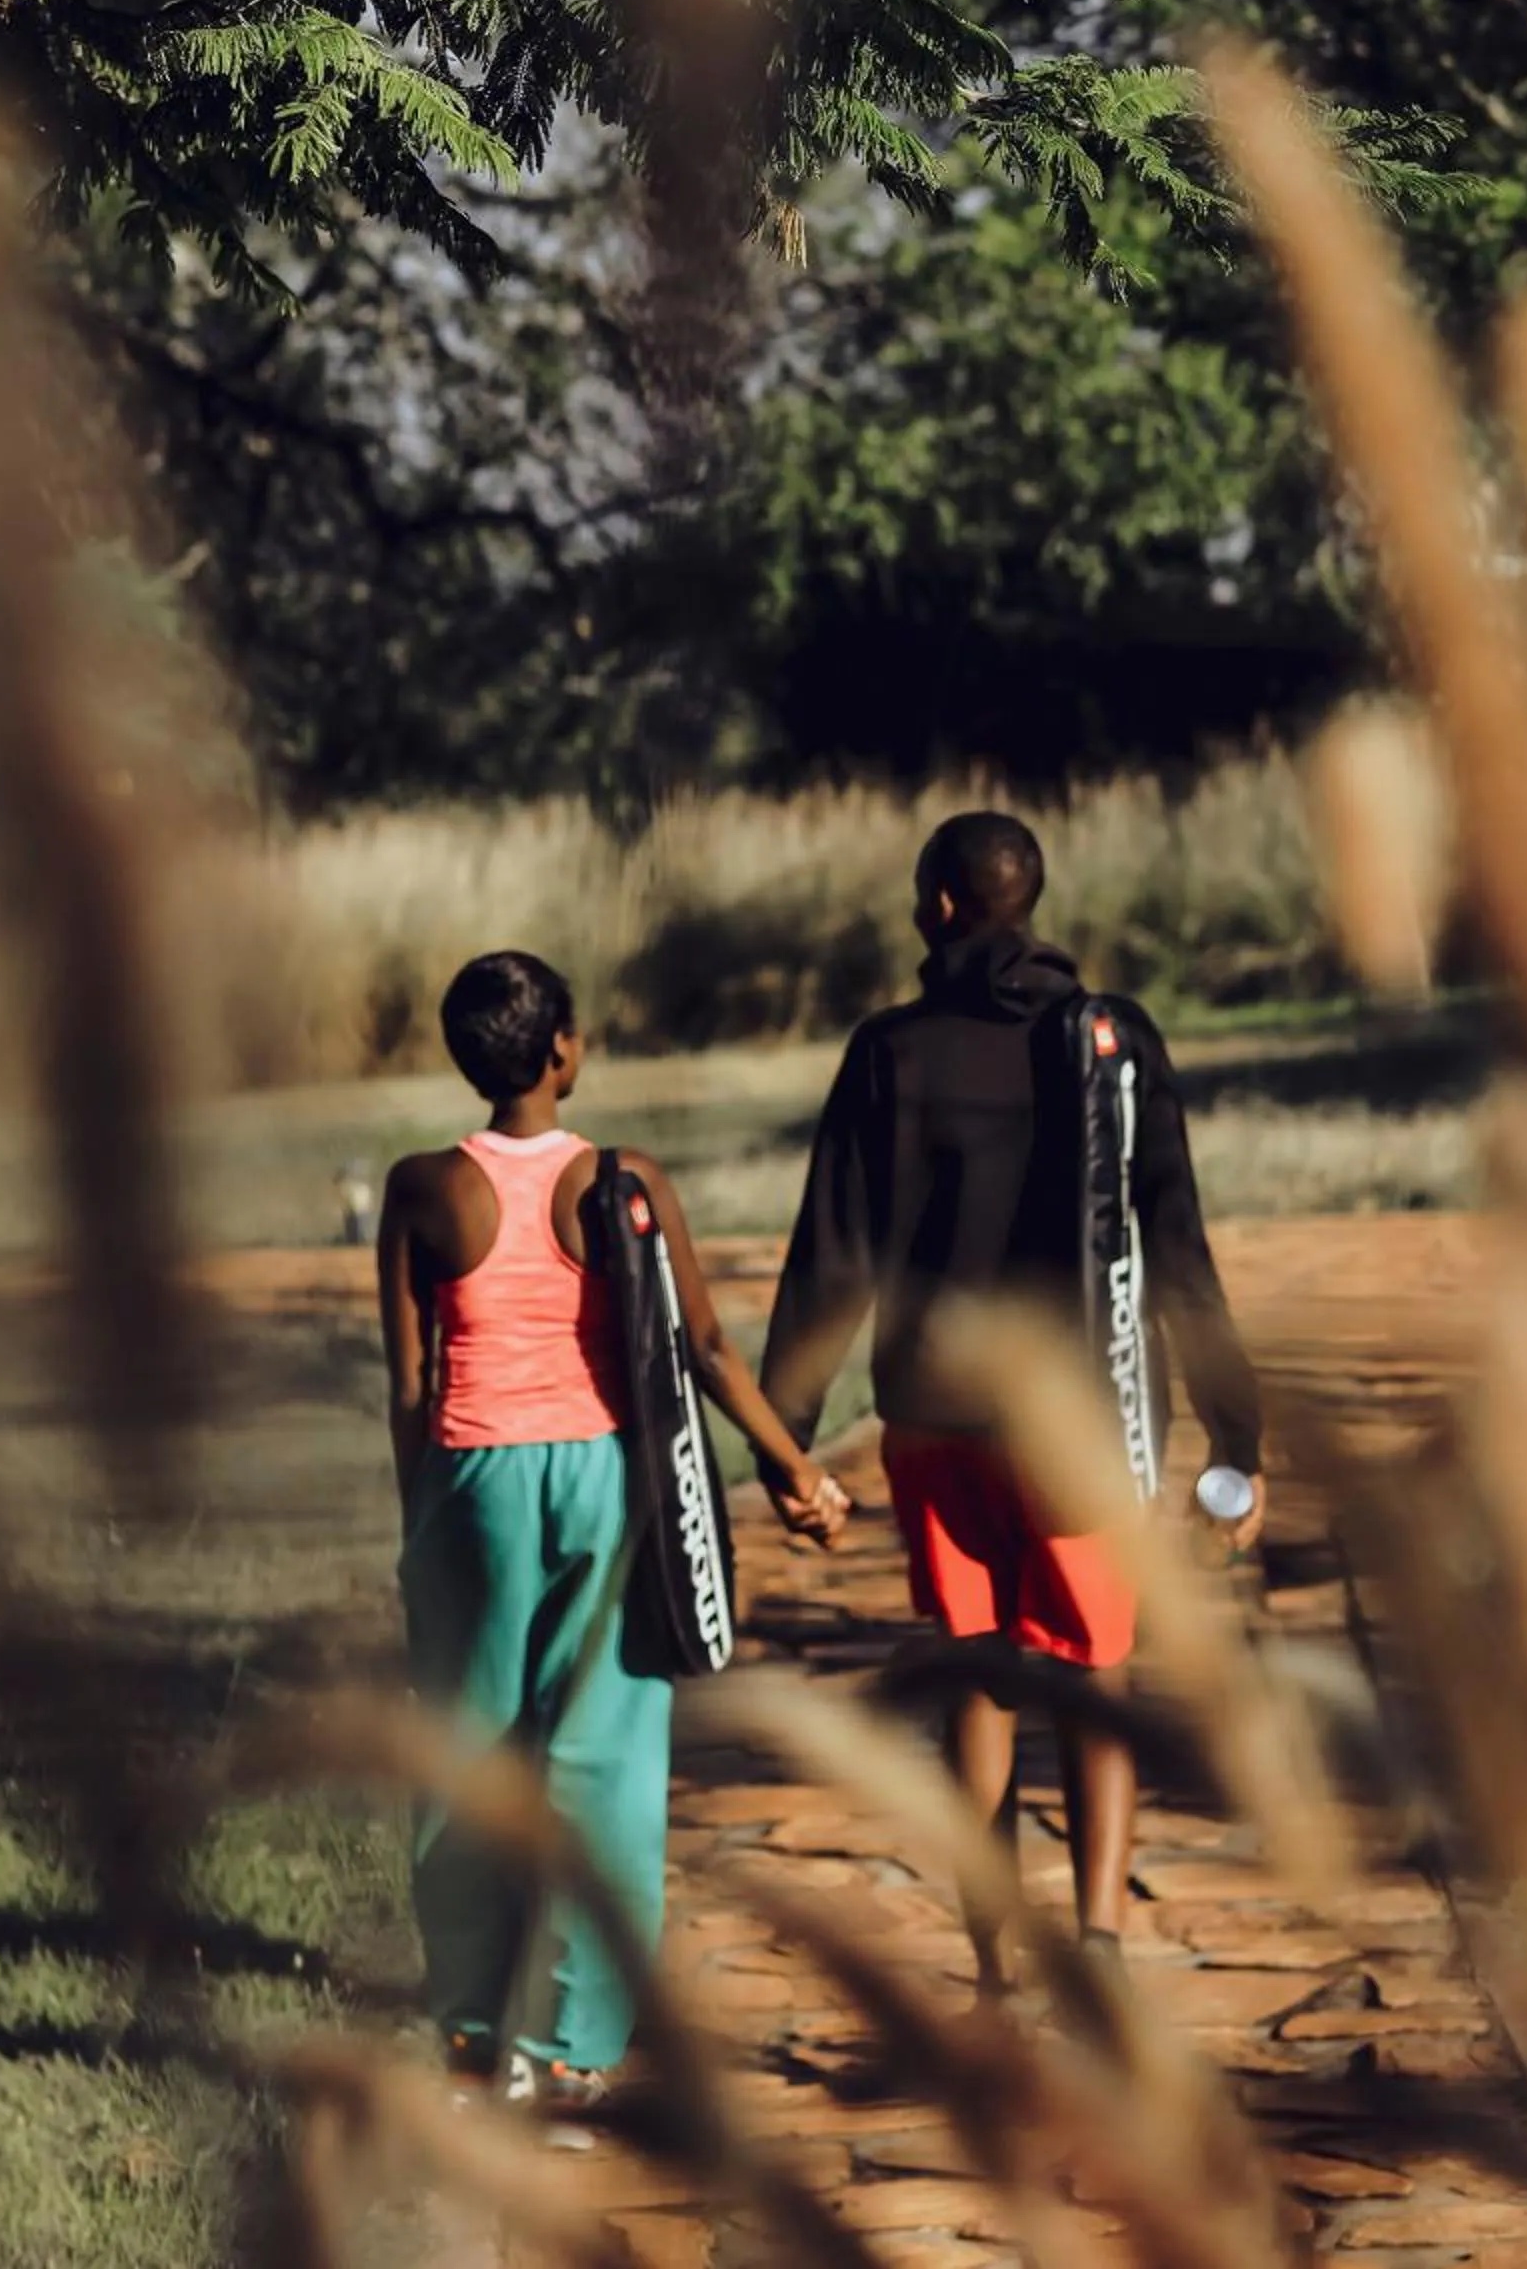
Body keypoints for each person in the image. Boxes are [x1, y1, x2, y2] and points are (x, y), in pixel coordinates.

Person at [756, 812, 1264, 1987]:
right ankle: (1096, 1944)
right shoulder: (1110, 1042)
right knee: (1094, 1674)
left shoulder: (889, 1052)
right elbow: (1174, 1244)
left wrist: (790, 1441)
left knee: (977, 1670)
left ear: (938, 906)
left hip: (934, 1424)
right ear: (1026, 902)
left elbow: (834, 1254)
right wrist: (1238, 1436)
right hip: (1083, 1421)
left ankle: (994, 1968)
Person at [378, 948, 848, 2128]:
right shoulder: (623, 1180)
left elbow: (410, 1382)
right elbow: (704, 1350)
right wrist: (793, 1468)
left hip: (470, 1485)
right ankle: (572, 2045)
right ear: (565, 1051)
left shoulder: (421, 1186)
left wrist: (419, 1533)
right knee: (605, 1768)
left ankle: (472, 2032)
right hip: (603, 1481)